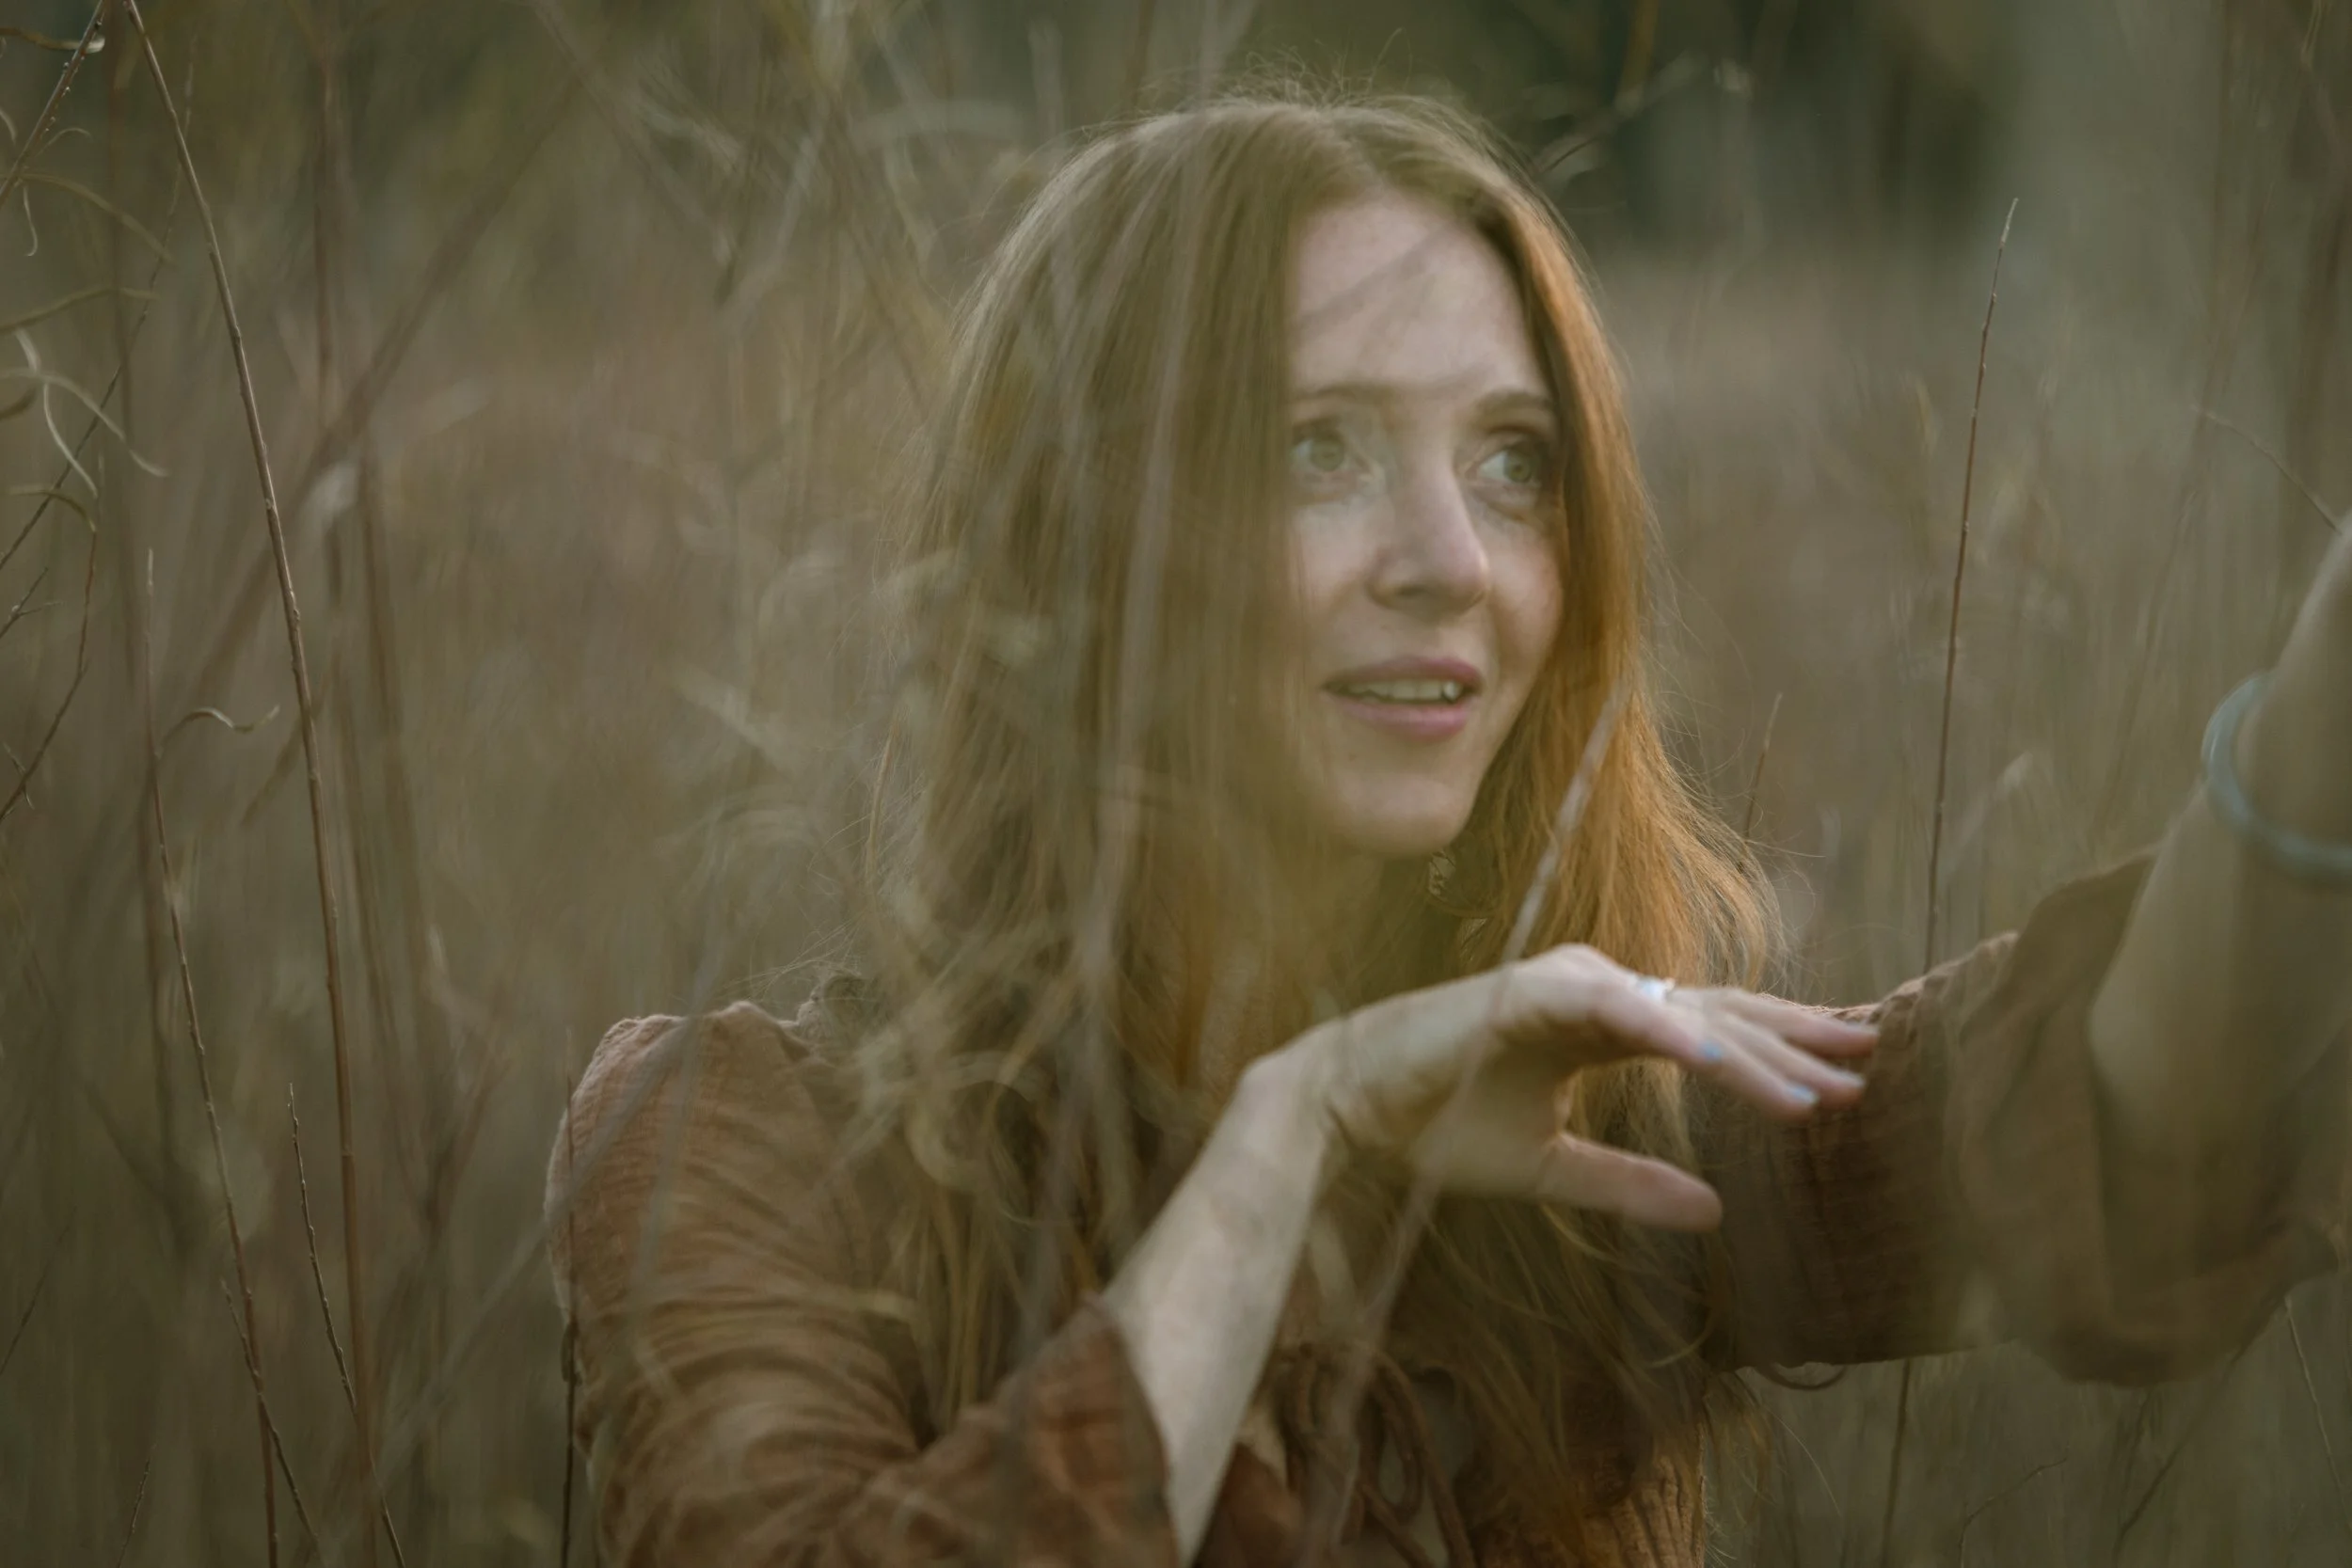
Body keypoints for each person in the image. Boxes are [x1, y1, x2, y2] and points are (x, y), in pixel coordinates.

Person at [546, 89, 2352, 1567]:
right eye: (1318, 446)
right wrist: (1289, 1143)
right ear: (1086, 538)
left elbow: (2122, 1116)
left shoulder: (1580, 1134)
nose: (1454, 562)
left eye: (1515, 463)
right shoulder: (734, 1145)